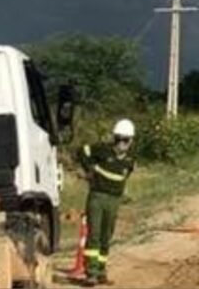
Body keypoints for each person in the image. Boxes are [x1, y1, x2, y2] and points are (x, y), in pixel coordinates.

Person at [76, 118, 136, 286]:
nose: (121, 143)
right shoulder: (102, 150)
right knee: (94, 235)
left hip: (114, 200)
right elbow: (82, 151)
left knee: (106, 236)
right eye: (118, 138)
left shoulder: (130, 160)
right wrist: (90, 169)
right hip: (97, 197)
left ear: (131, 141)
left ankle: (102, 270)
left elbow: (124, 177)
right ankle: (91, 273)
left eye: (125, 140)